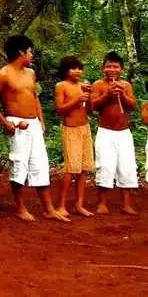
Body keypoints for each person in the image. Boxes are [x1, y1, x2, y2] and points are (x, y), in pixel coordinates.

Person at [0, 35, 67, 222]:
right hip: (16, 123)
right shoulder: (4, 73)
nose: (32, 55)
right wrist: (5, 122)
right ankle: (20, 208)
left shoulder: (30, 73)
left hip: (34, 124)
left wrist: (41, 120)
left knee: (40, 163)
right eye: (30, 51)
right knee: (19, 164)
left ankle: (48, 208)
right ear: (21, 52)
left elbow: (34, 96)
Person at [90, 51, 138, 215]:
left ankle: (126, 204)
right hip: (106, 132)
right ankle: (102, 203)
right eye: (108, 66)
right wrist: (107, 94)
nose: (112, 69)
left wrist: (123, 95)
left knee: (127, 167)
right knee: (105, 166)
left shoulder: (126, 85)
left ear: (121, 70)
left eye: (115, 66)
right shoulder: (98, 85)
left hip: (124, 133)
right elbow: (93, 106)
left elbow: (132, 106)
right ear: (103, 68)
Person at [54, 56, 94, 217]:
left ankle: (79, 205)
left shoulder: (83, 86)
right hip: (70, 130)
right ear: (65, 70)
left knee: (84, 169)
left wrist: (88, 96)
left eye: (79, 68)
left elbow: (90, 110)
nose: (77, 71)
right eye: (73, 68)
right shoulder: (61, 86)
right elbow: (60, 109)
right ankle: (61, 206)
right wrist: (78, 99)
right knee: (71, 169)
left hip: (85, 128)